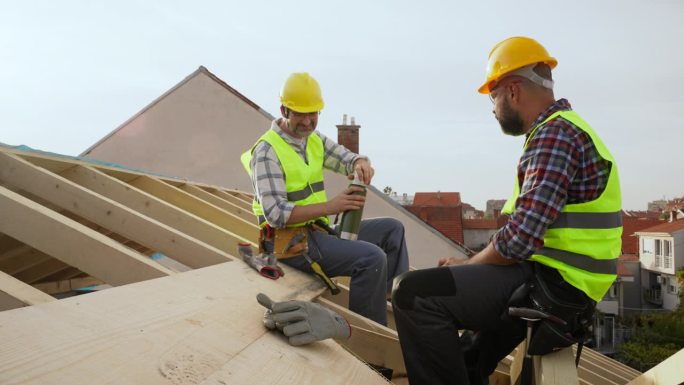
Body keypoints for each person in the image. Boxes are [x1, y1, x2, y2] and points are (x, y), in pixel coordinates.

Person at [391, 36, 622, 384]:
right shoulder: (562, 130)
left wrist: (468, 265)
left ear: (513, 91)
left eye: (493, 96)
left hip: (552, 288)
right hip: (560, 286)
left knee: (412, 294)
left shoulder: (555, 136)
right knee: (465, 360)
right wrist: (471, 265)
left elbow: (519, 241)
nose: (493, 108)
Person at [241, 72, 409, 326]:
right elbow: (275, 214)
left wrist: (361, 162)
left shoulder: (313, 140)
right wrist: (333, 206)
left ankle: (388, 304)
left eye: (314, 114)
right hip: (290, 245)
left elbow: (346, 159)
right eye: (300, 114)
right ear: (284, 110)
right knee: (371, 258)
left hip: (318, 233)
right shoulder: (267, 152)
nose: (308, 122)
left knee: (392, 230)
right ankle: (370, 339)